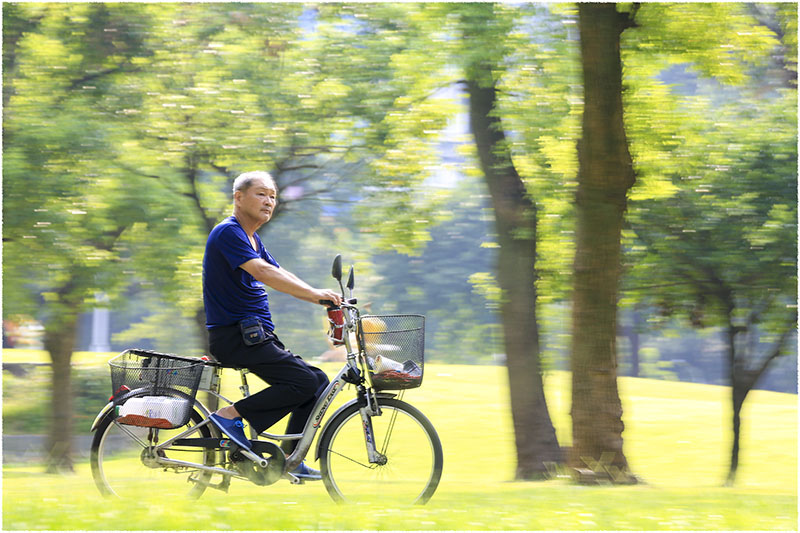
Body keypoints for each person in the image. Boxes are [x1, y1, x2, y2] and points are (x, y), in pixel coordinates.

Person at [202, 170, 342, 480]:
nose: (269, 201)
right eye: (261, 194)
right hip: (235, 336)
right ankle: (228, 417)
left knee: (317, 380)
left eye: (273, 196)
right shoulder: (229, 232)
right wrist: (316, 295)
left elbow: (281, 272)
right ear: (238, 197)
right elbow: (263, 272)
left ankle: (290, 460)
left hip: (254, 335)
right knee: (303, 382)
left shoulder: (251, 237)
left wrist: (323, 297)